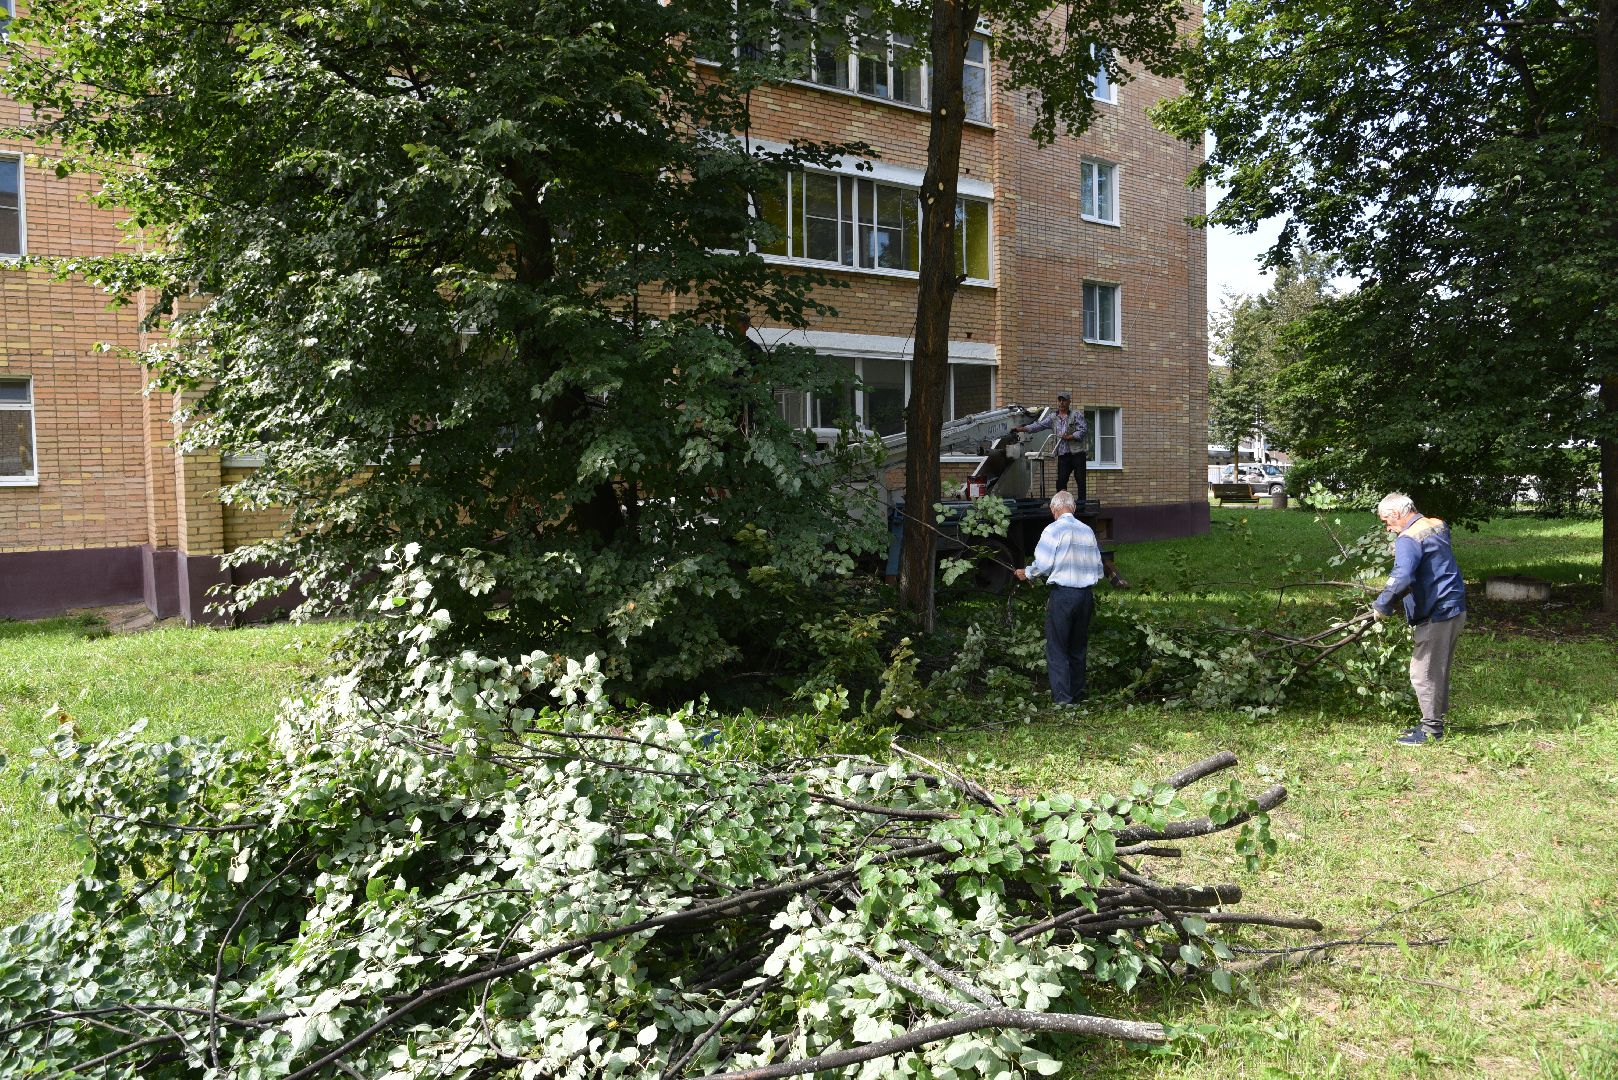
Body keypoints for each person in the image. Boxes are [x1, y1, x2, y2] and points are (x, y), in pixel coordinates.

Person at [1372, 493, 1467, 745]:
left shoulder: (1408, 538)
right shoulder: (1435, 524)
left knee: (1422, 672)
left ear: (1397, 514)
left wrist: (1382, 604)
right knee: (1438, 668)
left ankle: (1431, 730)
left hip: (1436, 613)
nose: (1388, 528)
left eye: (1386, 521)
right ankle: (1434, 719)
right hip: (1455, 607)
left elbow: (1402, 576)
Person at [1014, 490, 1104, 705]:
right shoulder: (1087, 530)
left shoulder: (1053, 530)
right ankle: (1078, 694)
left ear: (1054, 509)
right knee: (1078, 647)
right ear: (1072, 508)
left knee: (1057, 647)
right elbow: (1099, 568)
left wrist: (1026, 573)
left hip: (1063, 595)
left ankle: (1063, 699)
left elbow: (1043, 564)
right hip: (1085, 596)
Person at [1012, 392, 1088, 502]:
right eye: (1060, 400)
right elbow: (1039, 426)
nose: (1061, 403)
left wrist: (1070, 436)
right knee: (1061, 481)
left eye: (1064, 400)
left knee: (1080, 480)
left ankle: (1082, 505)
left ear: (1069, 402)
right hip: (1063, 455)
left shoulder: (1076, 415)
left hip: (1078, 454)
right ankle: (1062, 504)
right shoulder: (1053, 417)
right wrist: (1022, 429)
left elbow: (1083, 430)